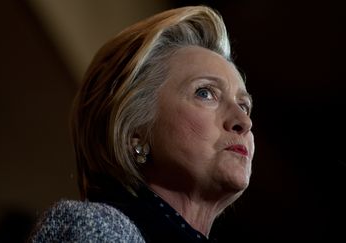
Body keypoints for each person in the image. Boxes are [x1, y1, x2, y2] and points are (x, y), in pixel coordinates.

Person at [29, 4, 254, 243]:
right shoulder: (97, 228)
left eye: (244, 105)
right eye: (205, 93)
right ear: (134, 132)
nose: (243, 121)